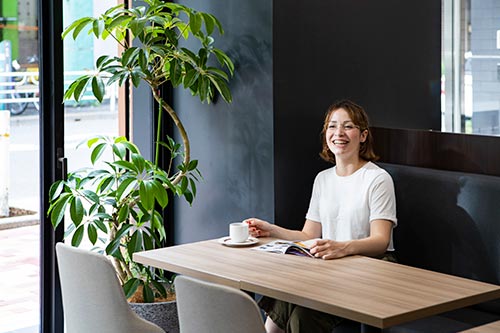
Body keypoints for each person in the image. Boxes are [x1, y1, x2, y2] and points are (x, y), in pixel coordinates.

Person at [244, 99, 397, 333]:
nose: (339, 133)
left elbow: (381, 241)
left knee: (302, 316)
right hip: (333, 267)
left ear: (363, 135)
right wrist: (271, 230)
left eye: (348, 126)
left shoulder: (377, 179)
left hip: (372, 267)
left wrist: (342, 248)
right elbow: (308, 235)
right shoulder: (323, 179)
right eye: (333, 126)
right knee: (285, 291)